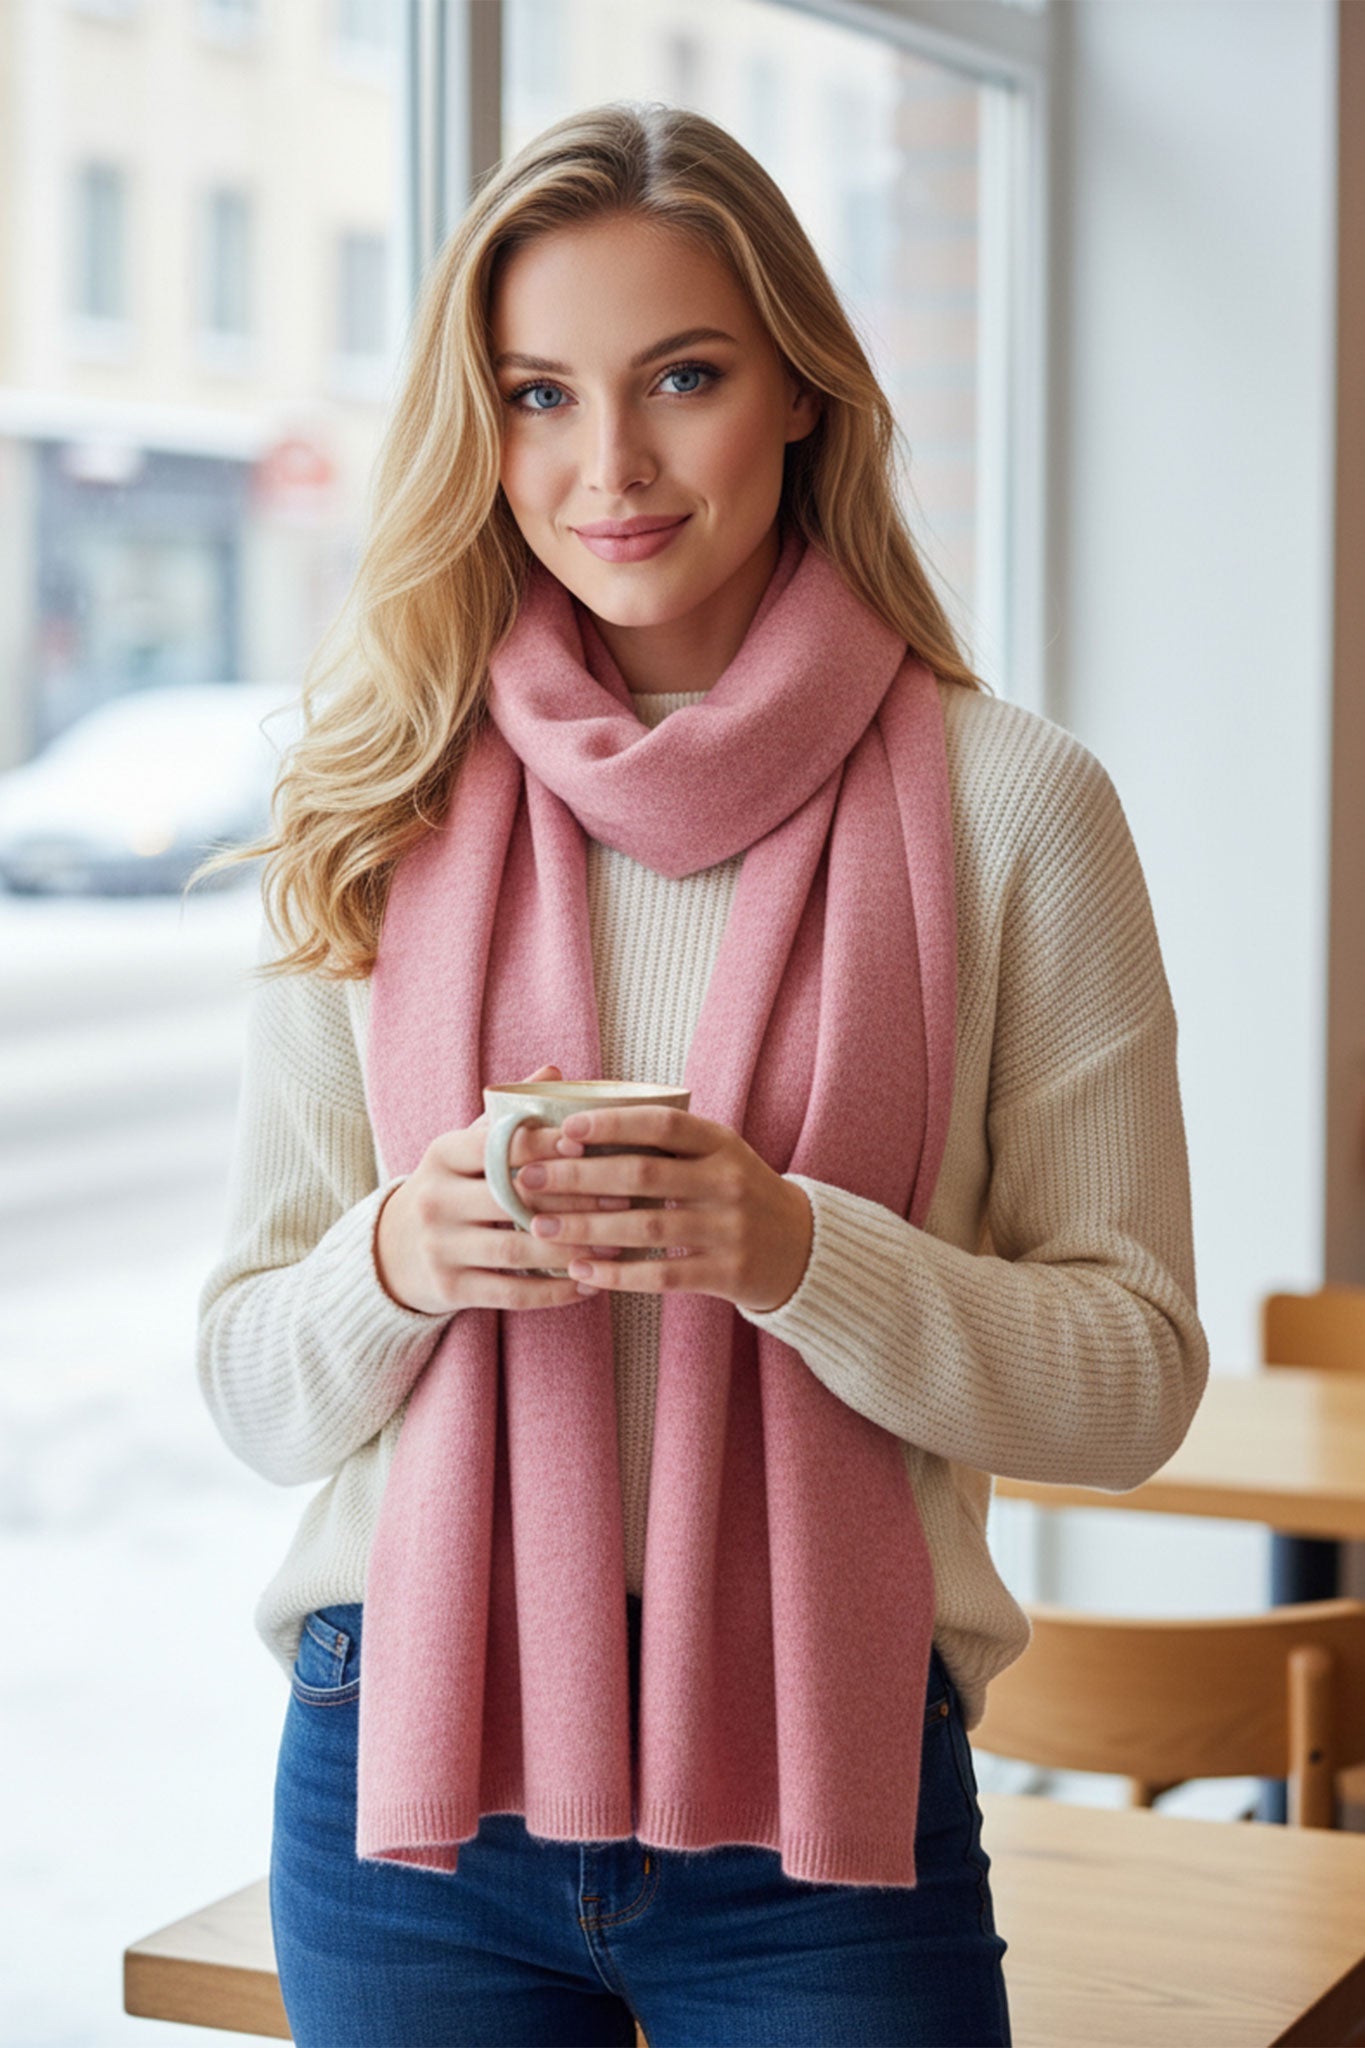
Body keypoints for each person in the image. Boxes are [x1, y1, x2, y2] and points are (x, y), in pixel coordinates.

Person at [191, 100, 1208, 2048]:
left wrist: (789, 1246)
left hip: (819, 1804)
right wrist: (397, 1256)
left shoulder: (1011, 807)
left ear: (802, 396)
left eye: (679, 376)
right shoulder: (377, 797)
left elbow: (1132, 1379)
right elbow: (250, 1374)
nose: (609, 465)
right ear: (472, 433)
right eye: (536, 394)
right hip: (405, 1769)